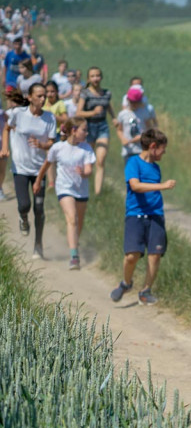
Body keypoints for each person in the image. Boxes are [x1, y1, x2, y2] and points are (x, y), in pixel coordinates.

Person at [110, 128, 175, 306]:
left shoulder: (156, 168)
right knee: (132, 255)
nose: (164, 152)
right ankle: (126, 283)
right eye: (163, 149)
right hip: (135, 215)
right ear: (153, 146)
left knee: (155, 254)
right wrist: (162, 186)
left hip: (156, 215)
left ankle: (145, 291)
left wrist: (160, 186)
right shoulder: (133, 163)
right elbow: (136, 186)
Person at [1, 84, 57, 258]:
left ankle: (38, 245)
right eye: (39, 96)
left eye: (44, 96)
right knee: (24, 205)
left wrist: (42, 145)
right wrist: (5, 148)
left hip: (39, 168)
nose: (43, 99)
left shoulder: (49, 118)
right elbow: (7, 128)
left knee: (39, 208)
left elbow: (51, 142)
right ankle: (23, 218)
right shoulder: (18, 114)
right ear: (30, 97)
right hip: (20, 168)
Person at [33, 118, 95, 269]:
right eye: (84, 130)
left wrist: (83, 173)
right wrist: (38, 181)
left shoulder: (86, 148)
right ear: (74, 130)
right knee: (72, 218)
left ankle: (74, 242)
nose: (86, 133)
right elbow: (46, 165)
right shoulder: (58, 148)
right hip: (64, 188)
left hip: (81, 189)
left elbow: (88, 170)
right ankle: (74, 256)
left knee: (78, 222)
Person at [75, 66, 115, 193]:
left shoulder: (107, 93)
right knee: (89, 160)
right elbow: (79, 112)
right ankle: (84, 186)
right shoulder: (85, 93)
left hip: (102, 126)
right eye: (92, 76)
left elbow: (108, 106)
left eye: (97, 75)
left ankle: (98, 192)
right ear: (88, 78)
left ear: (101, 77)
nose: (95, 78)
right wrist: (92, 112)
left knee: (101, 159)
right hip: (89, 127)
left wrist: (114, 118)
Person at [116, 85, 153, 160]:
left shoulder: (144, 113)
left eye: (136, 102)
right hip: (128, 150)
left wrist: (142, 136)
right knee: (131, 170)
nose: (134, 104)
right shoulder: (122, 114)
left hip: (142, 149)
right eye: (132, 102)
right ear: (128, 100)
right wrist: (123, 139)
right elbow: (119, 130)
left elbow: (149, 129)